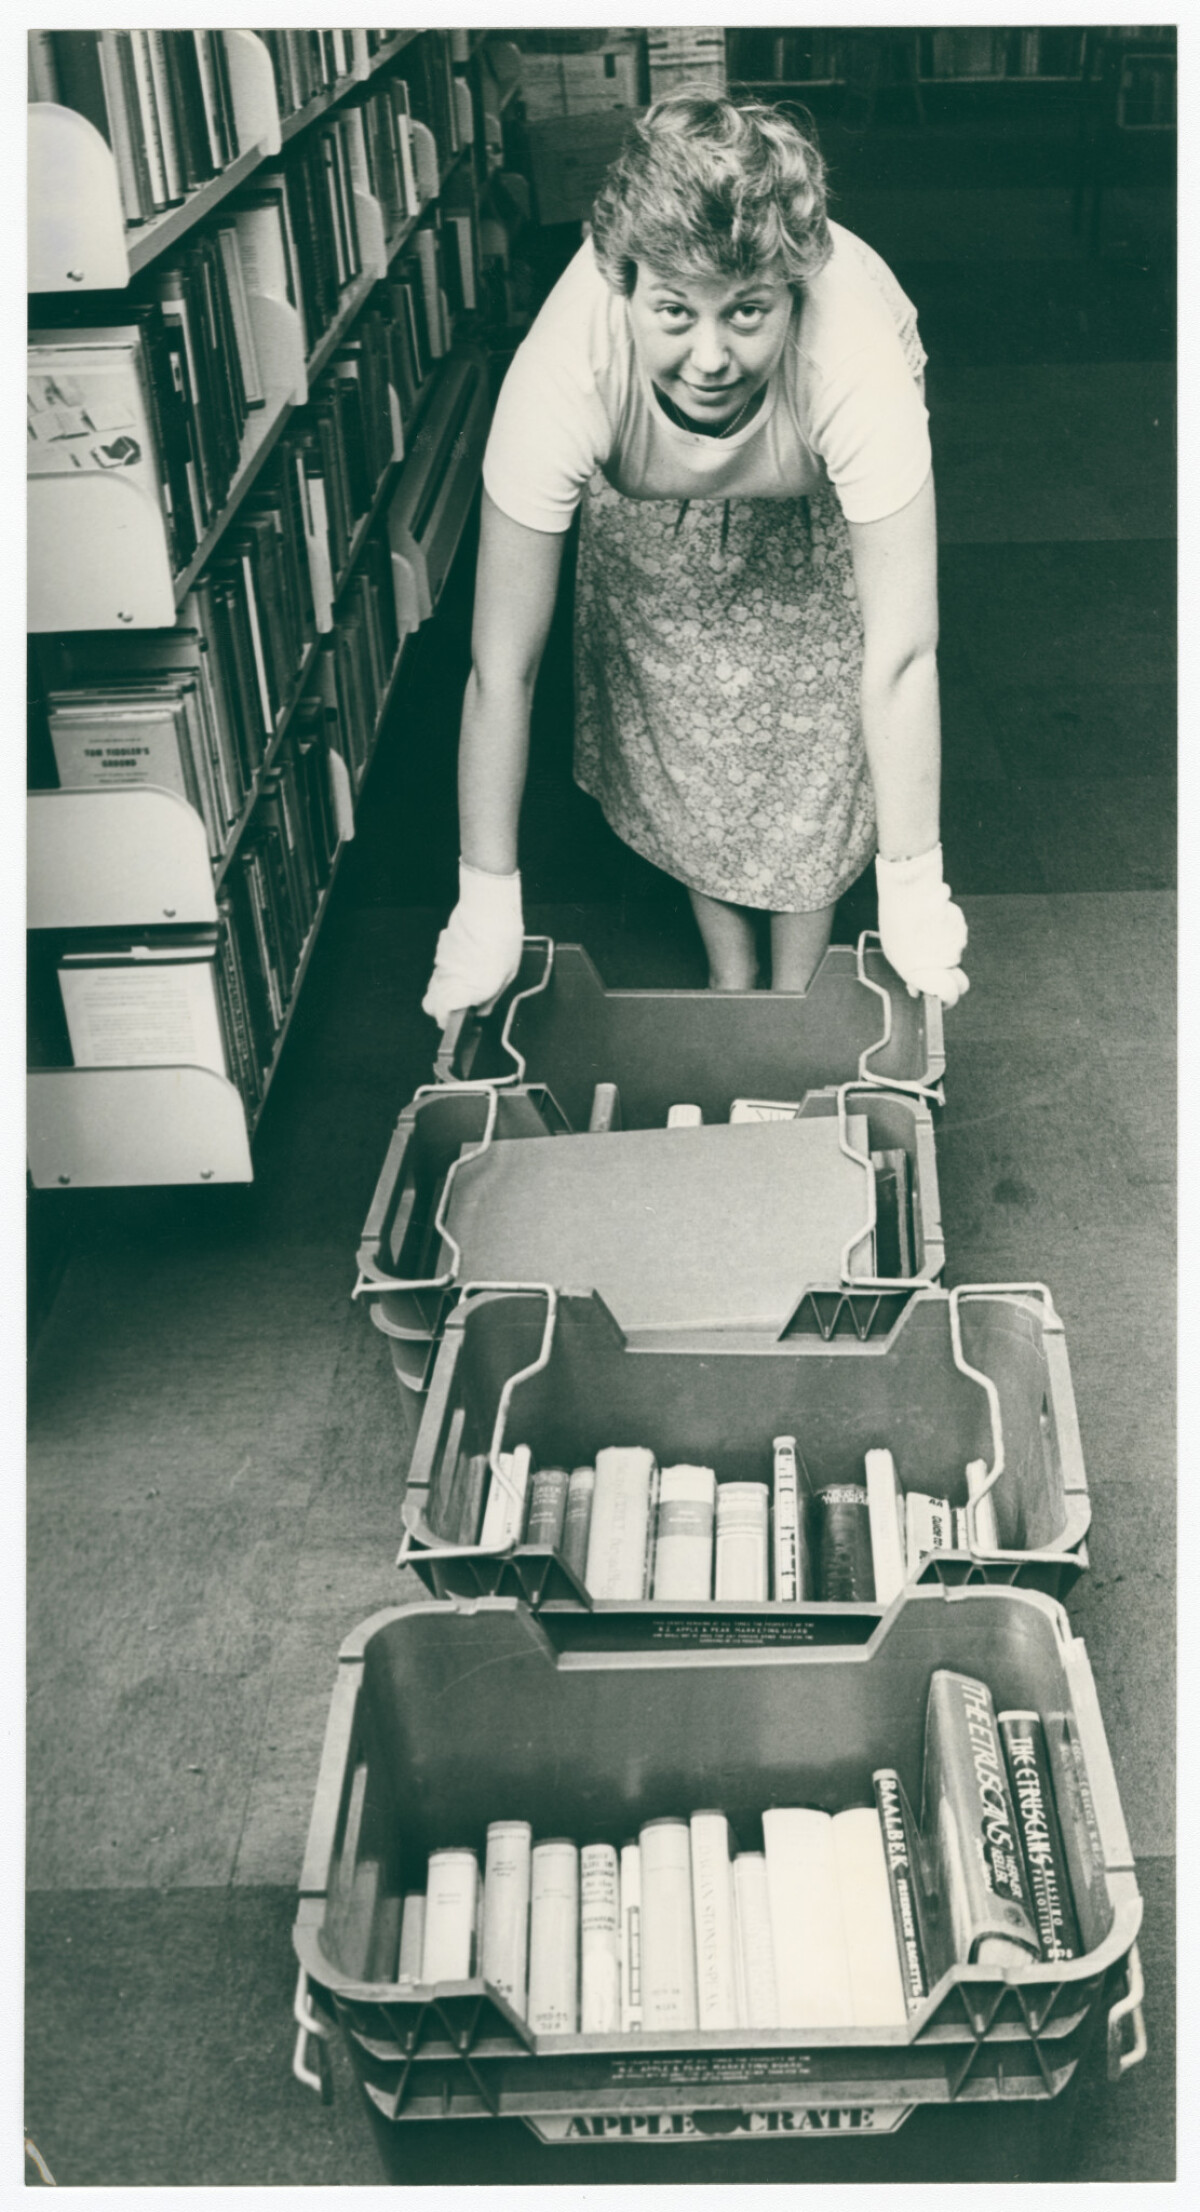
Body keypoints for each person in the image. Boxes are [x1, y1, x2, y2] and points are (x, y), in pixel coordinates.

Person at [423, 91, 968, 1027]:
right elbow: (502, 666)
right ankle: (730, 975)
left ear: (792, 290)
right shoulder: (564, 371)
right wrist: (485, 900)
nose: (710, 358)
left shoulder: (853, 360)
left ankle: (795, 992)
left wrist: (916, 884)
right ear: (623, 283)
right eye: (674, 311)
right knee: (682, 703)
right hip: (648, 489)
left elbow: (902, 655)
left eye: (748, 311)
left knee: (817, 708)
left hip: (810, 471)